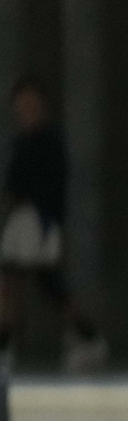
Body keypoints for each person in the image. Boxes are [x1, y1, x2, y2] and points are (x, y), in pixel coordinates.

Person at [0, 75, 101, 369]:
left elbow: (48, 185)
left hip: (37, 220)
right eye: (22, 103)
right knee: (42, 285)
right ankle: (88, 337)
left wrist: (44, 220)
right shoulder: (24, 139)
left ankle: (5, 347)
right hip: (26, 219)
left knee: (17, 284)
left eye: (30, 102)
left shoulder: (48, 140)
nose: (25, 108)